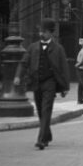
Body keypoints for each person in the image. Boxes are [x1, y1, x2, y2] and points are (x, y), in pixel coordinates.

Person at [13, 20, 70, 150]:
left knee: (46, 109)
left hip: (50, 83)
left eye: (44, 32)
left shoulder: (58, 49)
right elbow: (24, 63)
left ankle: (41, 140)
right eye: (40, 31)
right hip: (36, 82)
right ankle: (47, 134)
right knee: (40, 111)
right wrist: (17, 76)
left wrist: (65, 86)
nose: (41, 34)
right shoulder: (32, 47)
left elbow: (64, 68)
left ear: (51, 33)